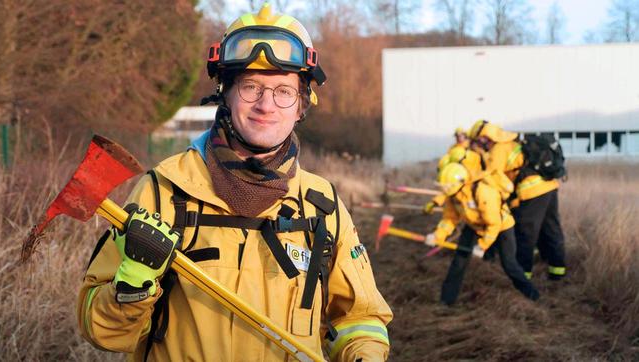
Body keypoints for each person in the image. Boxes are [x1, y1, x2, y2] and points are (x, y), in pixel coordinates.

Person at [76, 4, 392, 361]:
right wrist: (132, 284)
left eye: (283, 91)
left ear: (302, 105)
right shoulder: (164, 190)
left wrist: (363, 354)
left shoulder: (322, 205)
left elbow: (359, 318)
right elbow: (103, 334)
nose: (266, 105)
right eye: (250, 87)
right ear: (224, 94)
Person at [428, 162, 540, 305]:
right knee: (459, 261)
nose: (444, 190)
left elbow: (494, 223)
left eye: (446, 186)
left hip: (501, 227)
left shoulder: (483, 192)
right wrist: (437, 236)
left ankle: (533, 295)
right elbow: (449, 219)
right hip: (474, 225)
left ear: (457, 182)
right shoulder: (453, 196)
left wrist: (482, 246)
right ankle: (446, 301)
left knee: (509, 264)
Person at [468, 120, 566, 280]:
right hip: (549, 186)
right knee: (551, 229)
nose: (479, 144)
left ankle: (522, 276)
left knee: (524, 233)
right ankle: (557, 272)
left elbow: (493, 177)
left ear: (486, 137)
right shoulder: (511, 142)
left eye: (479, 140)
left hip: (532, 191)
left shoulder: (498, 150)